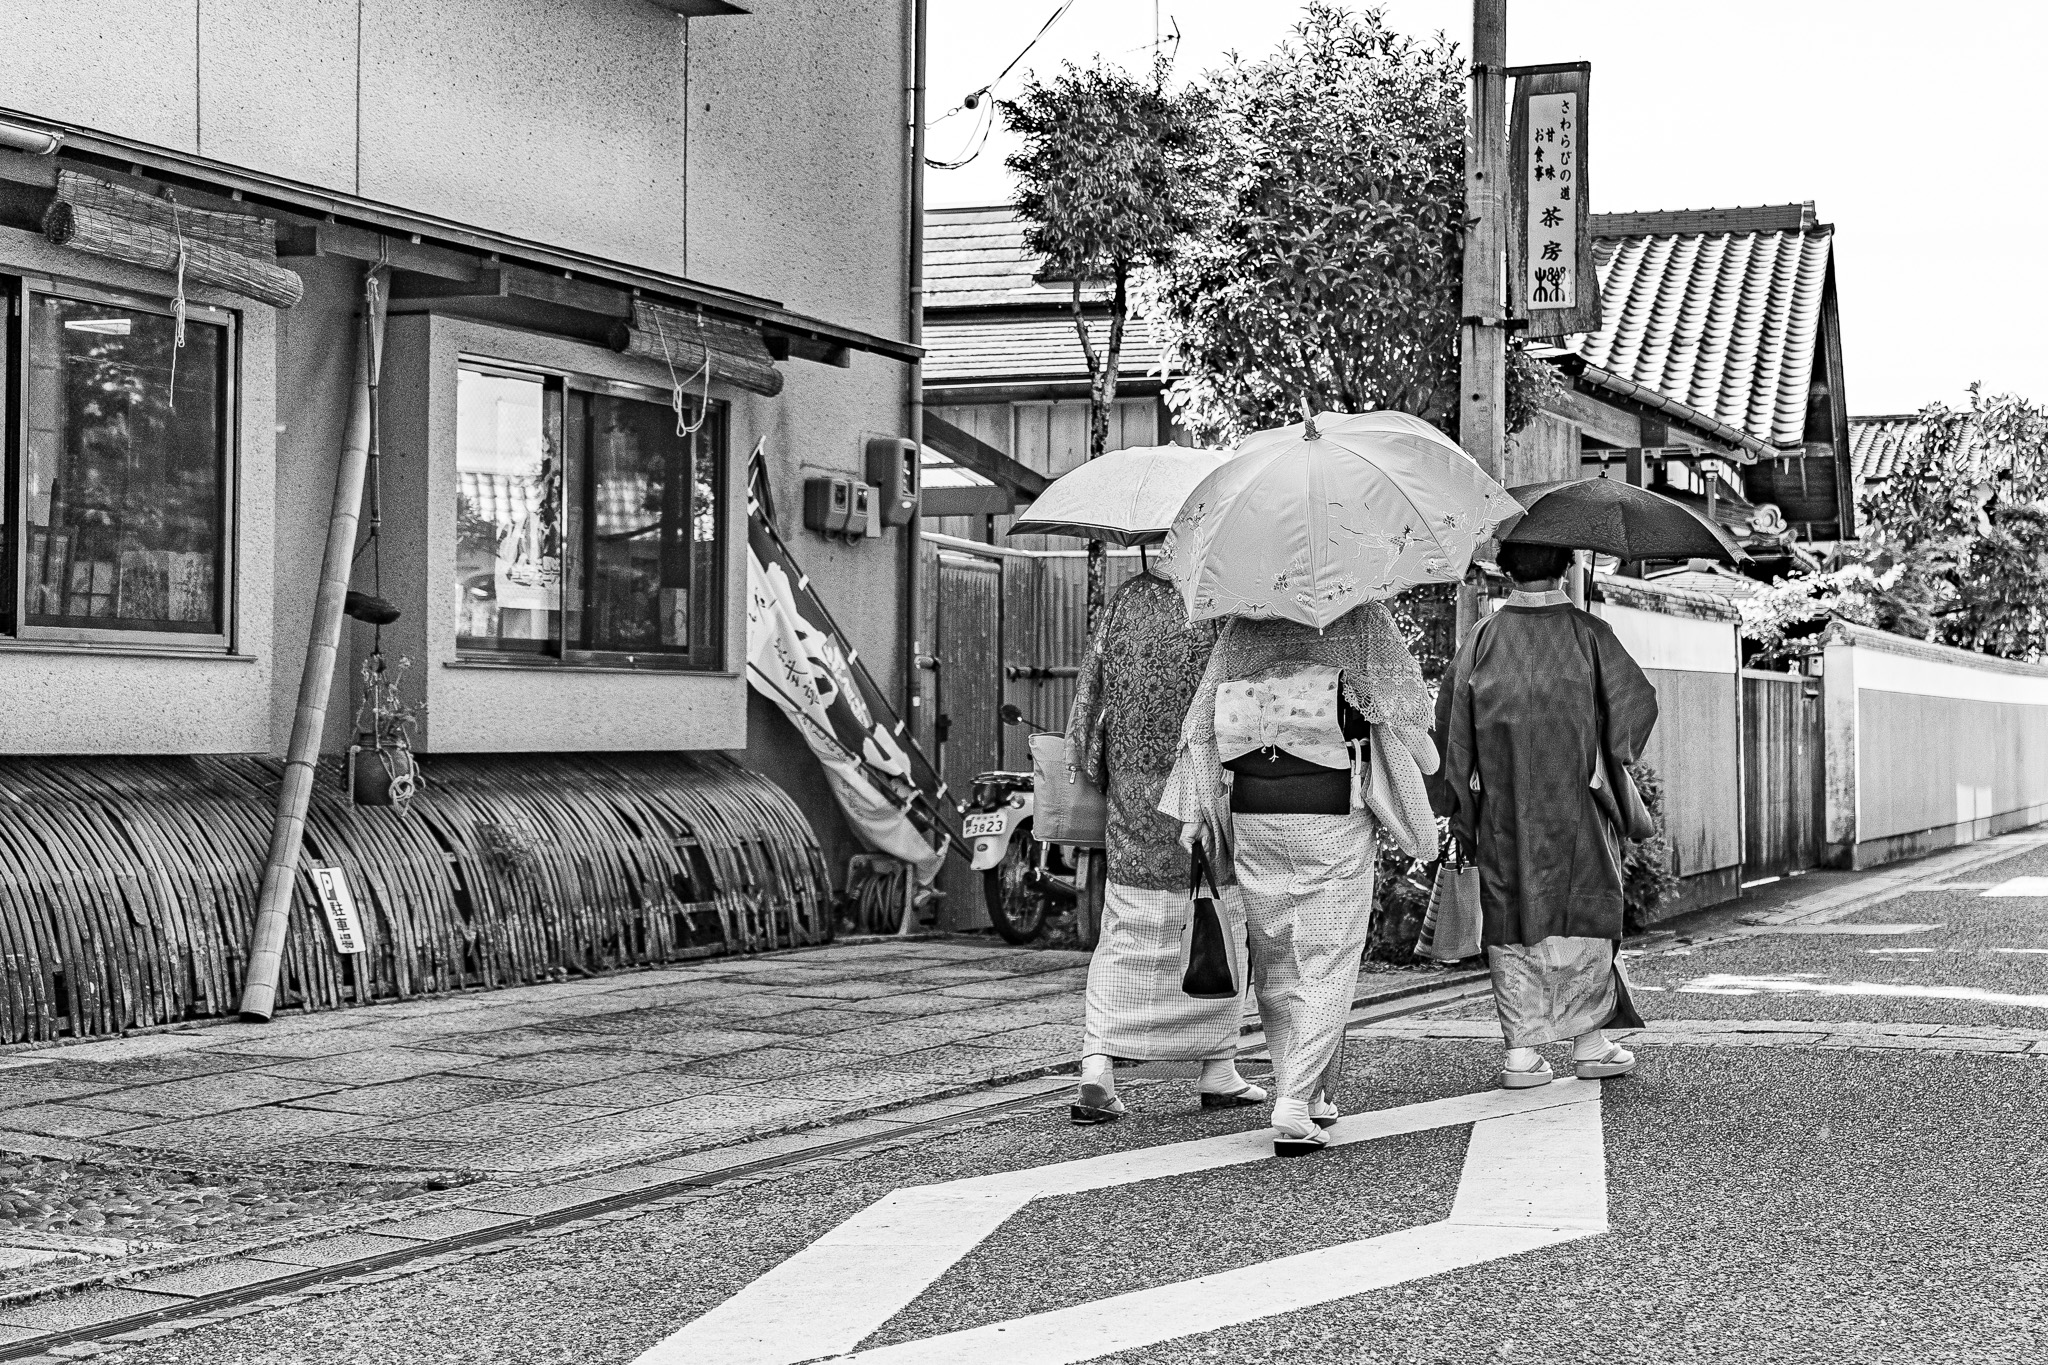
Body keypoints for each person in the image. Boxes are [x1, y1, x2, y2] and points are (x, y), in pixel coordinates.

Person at [1162, 602, 1440, 1156]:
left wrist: (1193, 811)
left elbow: (1200, 724)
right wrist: (1425, 759)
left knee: (1277, 957)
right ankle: (1291, 1098)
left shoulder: (1247, 620)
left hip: (1256, 809)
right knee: (1328, 958)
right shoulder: (1362, 616)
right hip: (1330, 813)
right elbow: (1405, 709)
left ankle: (1310, 1093)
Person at [1433, 541, 1655, 1089]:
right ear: (1569, 565)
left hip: (1504, 808)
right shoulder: (1589, 635)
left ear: (1505, 569)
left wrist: (1457, 803)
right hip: (1577, 802)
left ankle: (1522, 1055)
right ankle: (1590, 1043)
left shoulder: (1481, 640)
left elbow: (1451, 731)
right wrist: (1602, 747)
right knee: (1586, 910)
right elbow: (1636, 706)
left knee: (1512, 913)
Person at [1064, 567, 1267, 1125]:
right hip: (1203, 788)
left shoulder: (1128, 598)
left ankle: (1097, 1069)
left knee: (1125, 930)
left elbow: (1092, 695)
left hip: (1133, 792)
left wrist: (1090, 755)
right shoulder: (1226, 601)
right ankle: (1217, 1066)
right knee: (1218, 925)